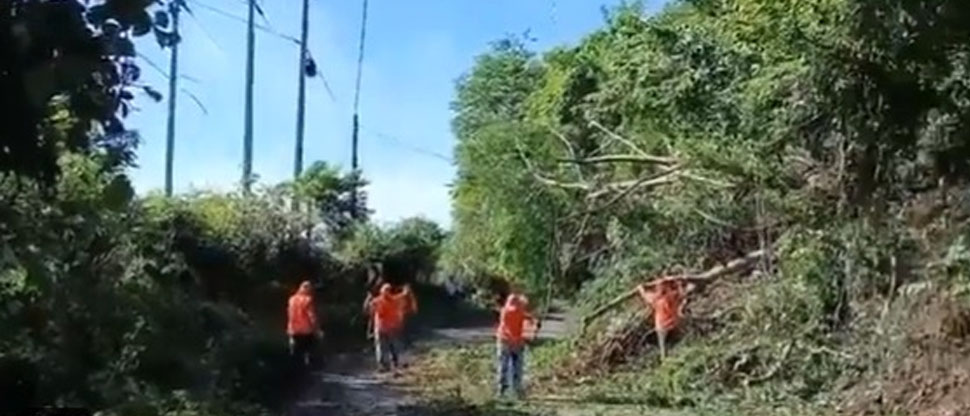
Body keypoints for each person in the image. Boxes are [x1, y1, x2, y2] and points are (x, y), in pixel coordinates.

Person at [495, 292, 539, 399]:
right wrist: (535, 324)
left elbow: (529, 318)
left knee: (503, 366)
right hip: (515, 343)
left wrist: (534, 322)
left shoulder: (505, 311)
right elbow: (529, 319)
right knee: (517, 368)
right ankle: (517, 390)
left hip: (504, 341)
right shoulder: (519, 311)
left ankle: (502, 390)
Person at [636, 276, 687, 360]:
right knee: (678, 338)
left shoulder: (655, 299)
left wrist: (640, 288)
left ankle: (664, 359)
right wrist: (679, 284)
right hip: (673, 323)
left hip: (662, 326)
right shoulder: (672, 295)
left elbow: (645, 295)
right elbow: (682, 294)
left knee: (663, 346)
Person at [367, 283, 411, 373]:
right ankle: (394, 363)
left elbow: (369, 311)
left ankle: (384, 365)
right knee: (393, 346)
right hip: (391, 328)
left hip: (381, 328)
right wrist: (406, 290)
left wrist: (369, 299)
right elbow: (404, 296)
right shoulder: (395, 300)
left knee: (382, 348)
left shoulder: (377, 301)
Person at [287, 280, 322, 368]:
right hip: (306, 331)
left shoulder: (291, 299)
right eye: (310, 289)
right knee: (309, 351)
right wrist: (317, 330)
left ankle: (295, 372)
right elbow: (311, 316)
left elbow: (289, 314)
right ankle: (309, 371)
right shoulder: (308, 300)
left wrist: (289, 330)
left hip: (294, 330)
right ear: (307, 289)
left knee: (296, 353)